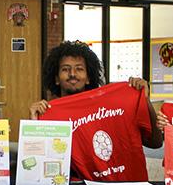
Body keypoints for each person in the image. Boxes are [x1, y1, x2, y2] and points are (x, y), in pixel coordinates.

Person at [29, 40, 163, 149]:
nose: (72, 74)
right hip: (68, 181)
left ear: (88, 78)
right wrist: (34, 122)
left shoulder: (109, 110)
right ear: (57, 78)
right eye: (65, 69)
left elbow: (155, 143)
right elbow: (35, 158)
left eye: (79, 69)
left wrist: (144, 99)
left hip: (108, 182)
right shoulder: (48, 114)